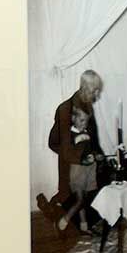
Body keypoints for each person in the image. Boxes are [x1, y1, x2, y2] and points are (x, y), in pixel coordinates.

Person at [37, 70, 103, 227]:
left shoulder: (87, 106)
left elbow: (93, 136)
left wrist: (98, 154)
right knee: (74, 200)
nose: (96, 95)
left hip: (83, 160)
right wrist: (81, 159)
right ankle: (54, 208)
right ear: (85, 88)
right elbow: (64, 147)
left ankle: (55, 206)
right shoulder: (65, 109)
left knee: (89, 205)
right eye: (94, 91)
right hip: (70, 159)